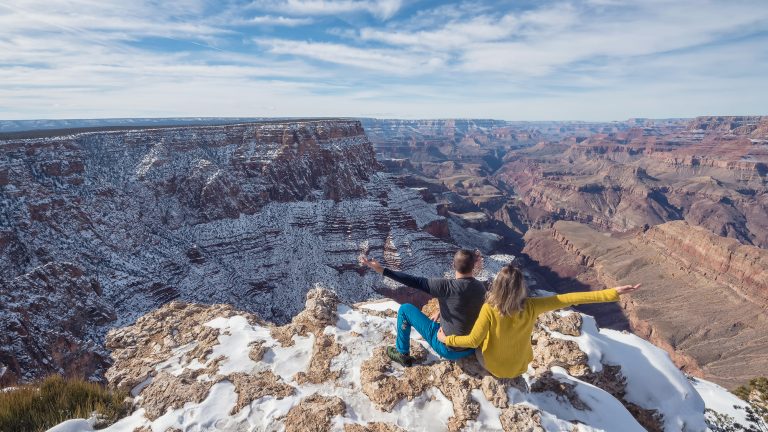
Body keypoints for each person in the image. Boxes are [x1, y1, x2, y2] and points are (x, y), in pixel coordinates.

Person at [437, 263, 641, 378]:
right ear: (520, 288)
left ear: (498, 286)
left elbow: (472, 341)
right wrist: (612, 293)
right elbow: (570, 298)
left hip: (494, 367)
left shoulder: (489, 309)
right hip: (520, 367)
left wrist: (448, 340)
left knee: (477, 339)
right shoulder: (532, 306)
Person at [359, 249, 486, 366]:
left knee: (405, 309)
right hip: (470, 347)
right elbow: (464, 302)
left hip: (448, 349)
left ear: (453, 265)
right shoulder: (480, 288)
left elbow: (413, 281)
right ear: (473, 266)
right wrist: (441, 311)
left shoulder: (445, 287)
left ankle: (402, 354)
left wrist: (381, 269)